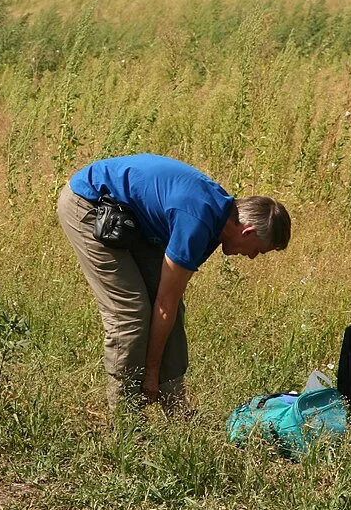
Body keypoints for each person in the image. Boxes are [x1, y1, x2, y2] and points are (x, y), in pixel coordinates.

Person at [57, 153, 290, 412]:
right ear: (248, 231)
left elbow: (168, 302)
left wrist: (157, 372)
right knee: (130, 313)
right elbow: (163, 304)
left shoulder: (219, 220)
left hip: (129, 216)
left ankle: (175, 408)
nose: (252, 257)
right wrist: (151, 371)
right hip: (89, 203)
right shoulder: (198, 221)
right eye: (257, 250)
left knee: (171, 308)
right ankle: (126, 417)